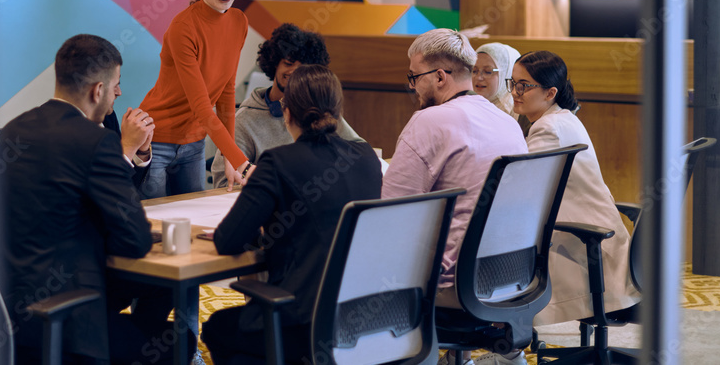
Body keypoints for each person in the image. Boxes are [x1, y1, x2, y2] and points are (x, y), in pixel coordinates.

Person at [0, 34, 192, 365]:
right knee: (181, 339)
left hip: (4, 315)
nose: (118, 93)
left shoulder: (12, 131)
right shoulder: (95, 141)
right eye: (116, 85)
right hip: (69, 322)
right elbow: (135, 241)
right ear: (97, 90)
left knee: (157, 287)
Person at [202, 65, 382, 365]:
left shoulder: (278, 162)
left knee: (218, 328)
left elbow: (228, 240)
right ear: (337, 111)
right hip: (360, 316)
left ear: (286, 112)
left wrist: (263, 232)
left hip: (300, 321)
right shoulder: (365, 157)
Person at [379, 29, 527, 365]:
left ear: (440, 76)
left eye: (415, 77)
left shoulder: (428, 122)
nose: (413, 86)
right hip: (509, 274)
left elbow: (390, 215)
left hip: (452, 284)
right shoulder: (507, 122)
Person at [511, 51, 639, 327]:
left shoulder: (549, 129)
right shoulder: (562, 118)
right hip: (597, 244)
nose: (515, 92)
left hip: (584, 249)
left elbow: (519, 190)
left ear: (550, 92)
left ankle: (506, 345)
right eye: (513, 83)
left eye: (524, 85)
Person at [139, 0, 252, 198]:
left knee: (193, 222)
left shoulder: (238, 21)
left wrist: (229, 156)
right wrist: (242, 163)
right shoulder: (183, 27)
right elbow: (201, 106)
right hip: (157, 138)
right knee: (155, 224)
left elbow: (226, 91)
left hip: (194, 142)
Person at [210, 23, 368, 189]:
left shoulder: (319, 111)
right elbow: (222, 183)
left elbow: (359, 150)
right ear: (273, 64)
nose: (294, 71)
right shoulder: (245, 121)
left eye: (302, 67)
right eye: (288, 63)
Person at [472, 42, 520, 118]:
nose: (478, 77)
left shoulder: (516, 113)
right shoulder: (467, 104)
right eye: (474, 71)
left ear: (507, 74)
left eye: (488, 72)